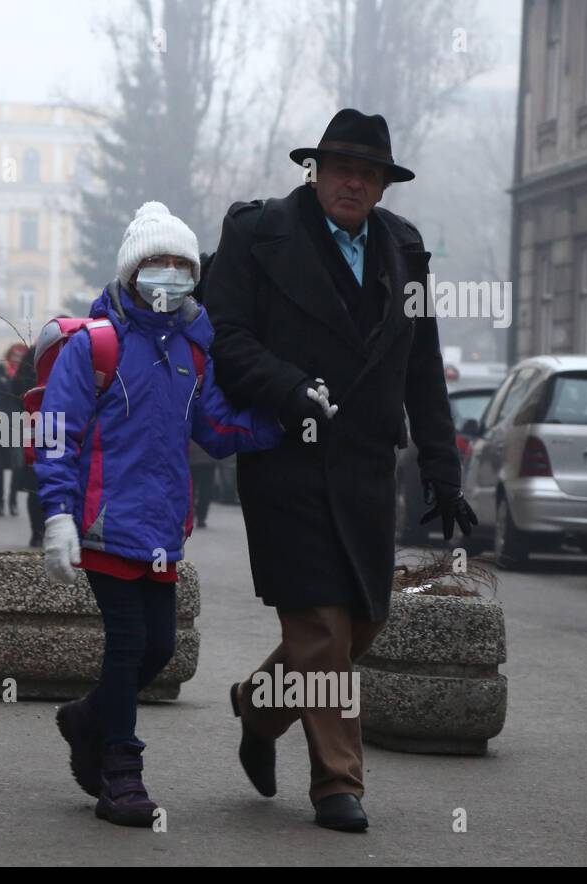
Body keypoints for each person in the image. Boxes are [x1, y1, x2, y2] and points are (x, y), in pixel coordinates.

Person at [203, 108, 476, 831]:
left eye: (368, 173)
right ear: (315, 171)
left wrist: (444, 470)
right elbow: (222, 337)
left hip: (364, 465)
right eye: (341, 168)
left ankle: (259, 710)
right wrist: (286, 383)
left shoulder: (406, 249)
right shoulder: (257, 234)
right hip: (286, 459)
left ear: (384, 187)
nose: (353, 183)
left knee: (362, 624)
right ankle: (337, 785)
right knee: (321, 628)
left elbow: (423, 369)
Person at [36, 201, 281, 827]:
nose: (169, 274)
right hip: (104, 524)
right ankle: (121, 773)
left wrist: (287, 418)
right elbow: (58, 433)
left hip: (162, 530)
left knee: (159, 646)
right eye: (157, 262)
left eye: (181, 264)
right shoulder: (97, 345)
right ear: (132, 269)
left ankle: (88, 718)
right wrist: (58, 515)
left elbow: (218, 427)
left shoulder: (194, 352)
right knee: (128, 645)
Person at [0, 343, 29, 517]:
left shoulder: (26, 374)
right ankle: (0, 502)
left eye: (21, 355)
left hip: (19, 423)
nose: (17, 358)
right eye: (14, 354)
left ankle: (12, 501)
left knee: (17, 464)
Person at [10, 342, 46, 547]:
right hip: (35, 430)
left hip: (37, 430)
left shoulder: (36, 354)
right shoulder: (34, 356)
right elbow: (17, 390)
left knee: (37, 486)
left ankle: (39, 531)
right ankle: (39, 531)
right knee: (36, 486)